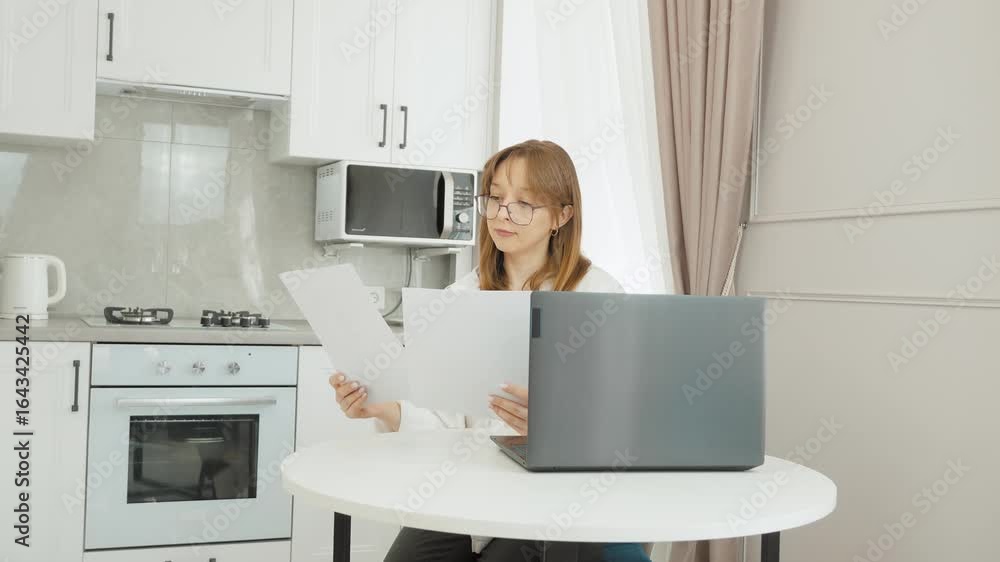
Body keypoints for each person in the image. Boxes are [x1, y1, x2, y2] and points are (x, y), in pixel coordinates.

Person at [329, 140, 651, 562]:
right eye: (496, 198)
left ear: (562, 216)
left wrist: (555, 428)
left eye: (524, 204)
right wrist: (385, 409)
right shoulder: (460, 296)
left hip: (557, 496)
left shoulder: (599, 297)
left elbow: (626, 425)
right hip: (468, 492)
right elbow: (446, 419)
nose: (502, 214)